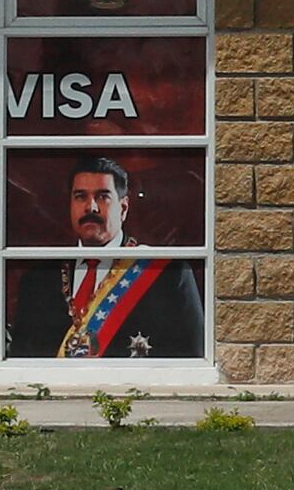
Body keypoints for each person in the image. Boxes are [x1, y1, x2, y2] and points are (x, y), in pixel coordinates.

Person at [14, 153, 203, 359]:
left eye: (103, 197)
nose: (91, 207)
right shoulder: (37, 280)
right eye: (80, 197)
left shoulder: (167, 274)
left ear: (123, 208)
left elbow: (192, 362)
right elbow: (21, 363)